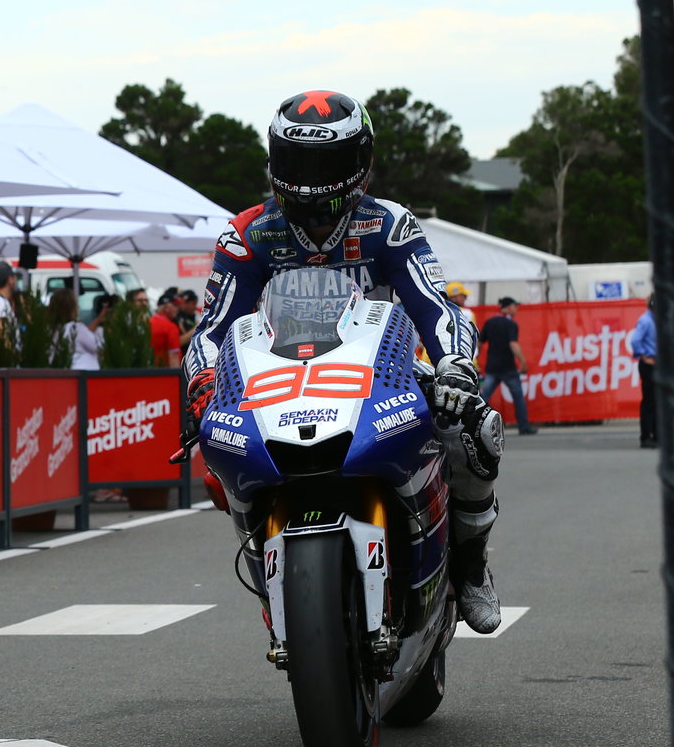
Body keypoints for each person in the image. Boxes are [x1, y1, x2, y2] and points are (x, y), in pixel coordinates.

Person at [182, 90, 502, 634]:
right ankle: (266, 569)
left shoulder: (390, 225)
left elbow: (436, 303)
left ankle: (472, 566)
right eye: (297, 162)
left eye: (326, 163)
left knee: (472, 428)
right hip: (279, 377)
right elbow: (212, 328)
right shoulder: (245, 236)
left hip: (385, 372)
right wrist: (205, 386)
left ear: (362, 160)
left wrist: (454, 366)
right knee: (219, 451)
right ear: (274, 160)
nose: (310, 178)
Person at [479, 297, 537, 437]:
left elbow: (479, 343)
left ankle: (472, 426)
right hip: (508, 368)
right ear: (509, 307)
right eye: (515, 306)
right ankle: (524, 427)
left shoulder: (490, 322)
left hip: (492, 367)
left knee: (482, 398)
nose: (516, 310)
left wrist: (473, 359)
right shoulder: (511, 324)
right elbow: (513, 344)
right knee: (518, 398)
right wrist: (522, 362)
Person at [634, 295, 658, 448]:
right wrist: (644, 356)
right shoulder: (646, 320)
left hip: (659, 364)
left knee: (658, 402)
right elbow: (635, 340)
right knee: (649, 401)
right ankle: (646, 436)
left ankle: (657, 435)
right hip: (649, 364)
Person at [150, 289, 182, 367]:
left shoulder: (149, 321)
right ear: (166, 307)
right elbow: (173, 357)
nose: (177, 309)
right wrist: (176, 378)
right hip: (165, 372)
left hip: (150, 370)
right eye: (175, 306)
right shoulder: (170, 327)